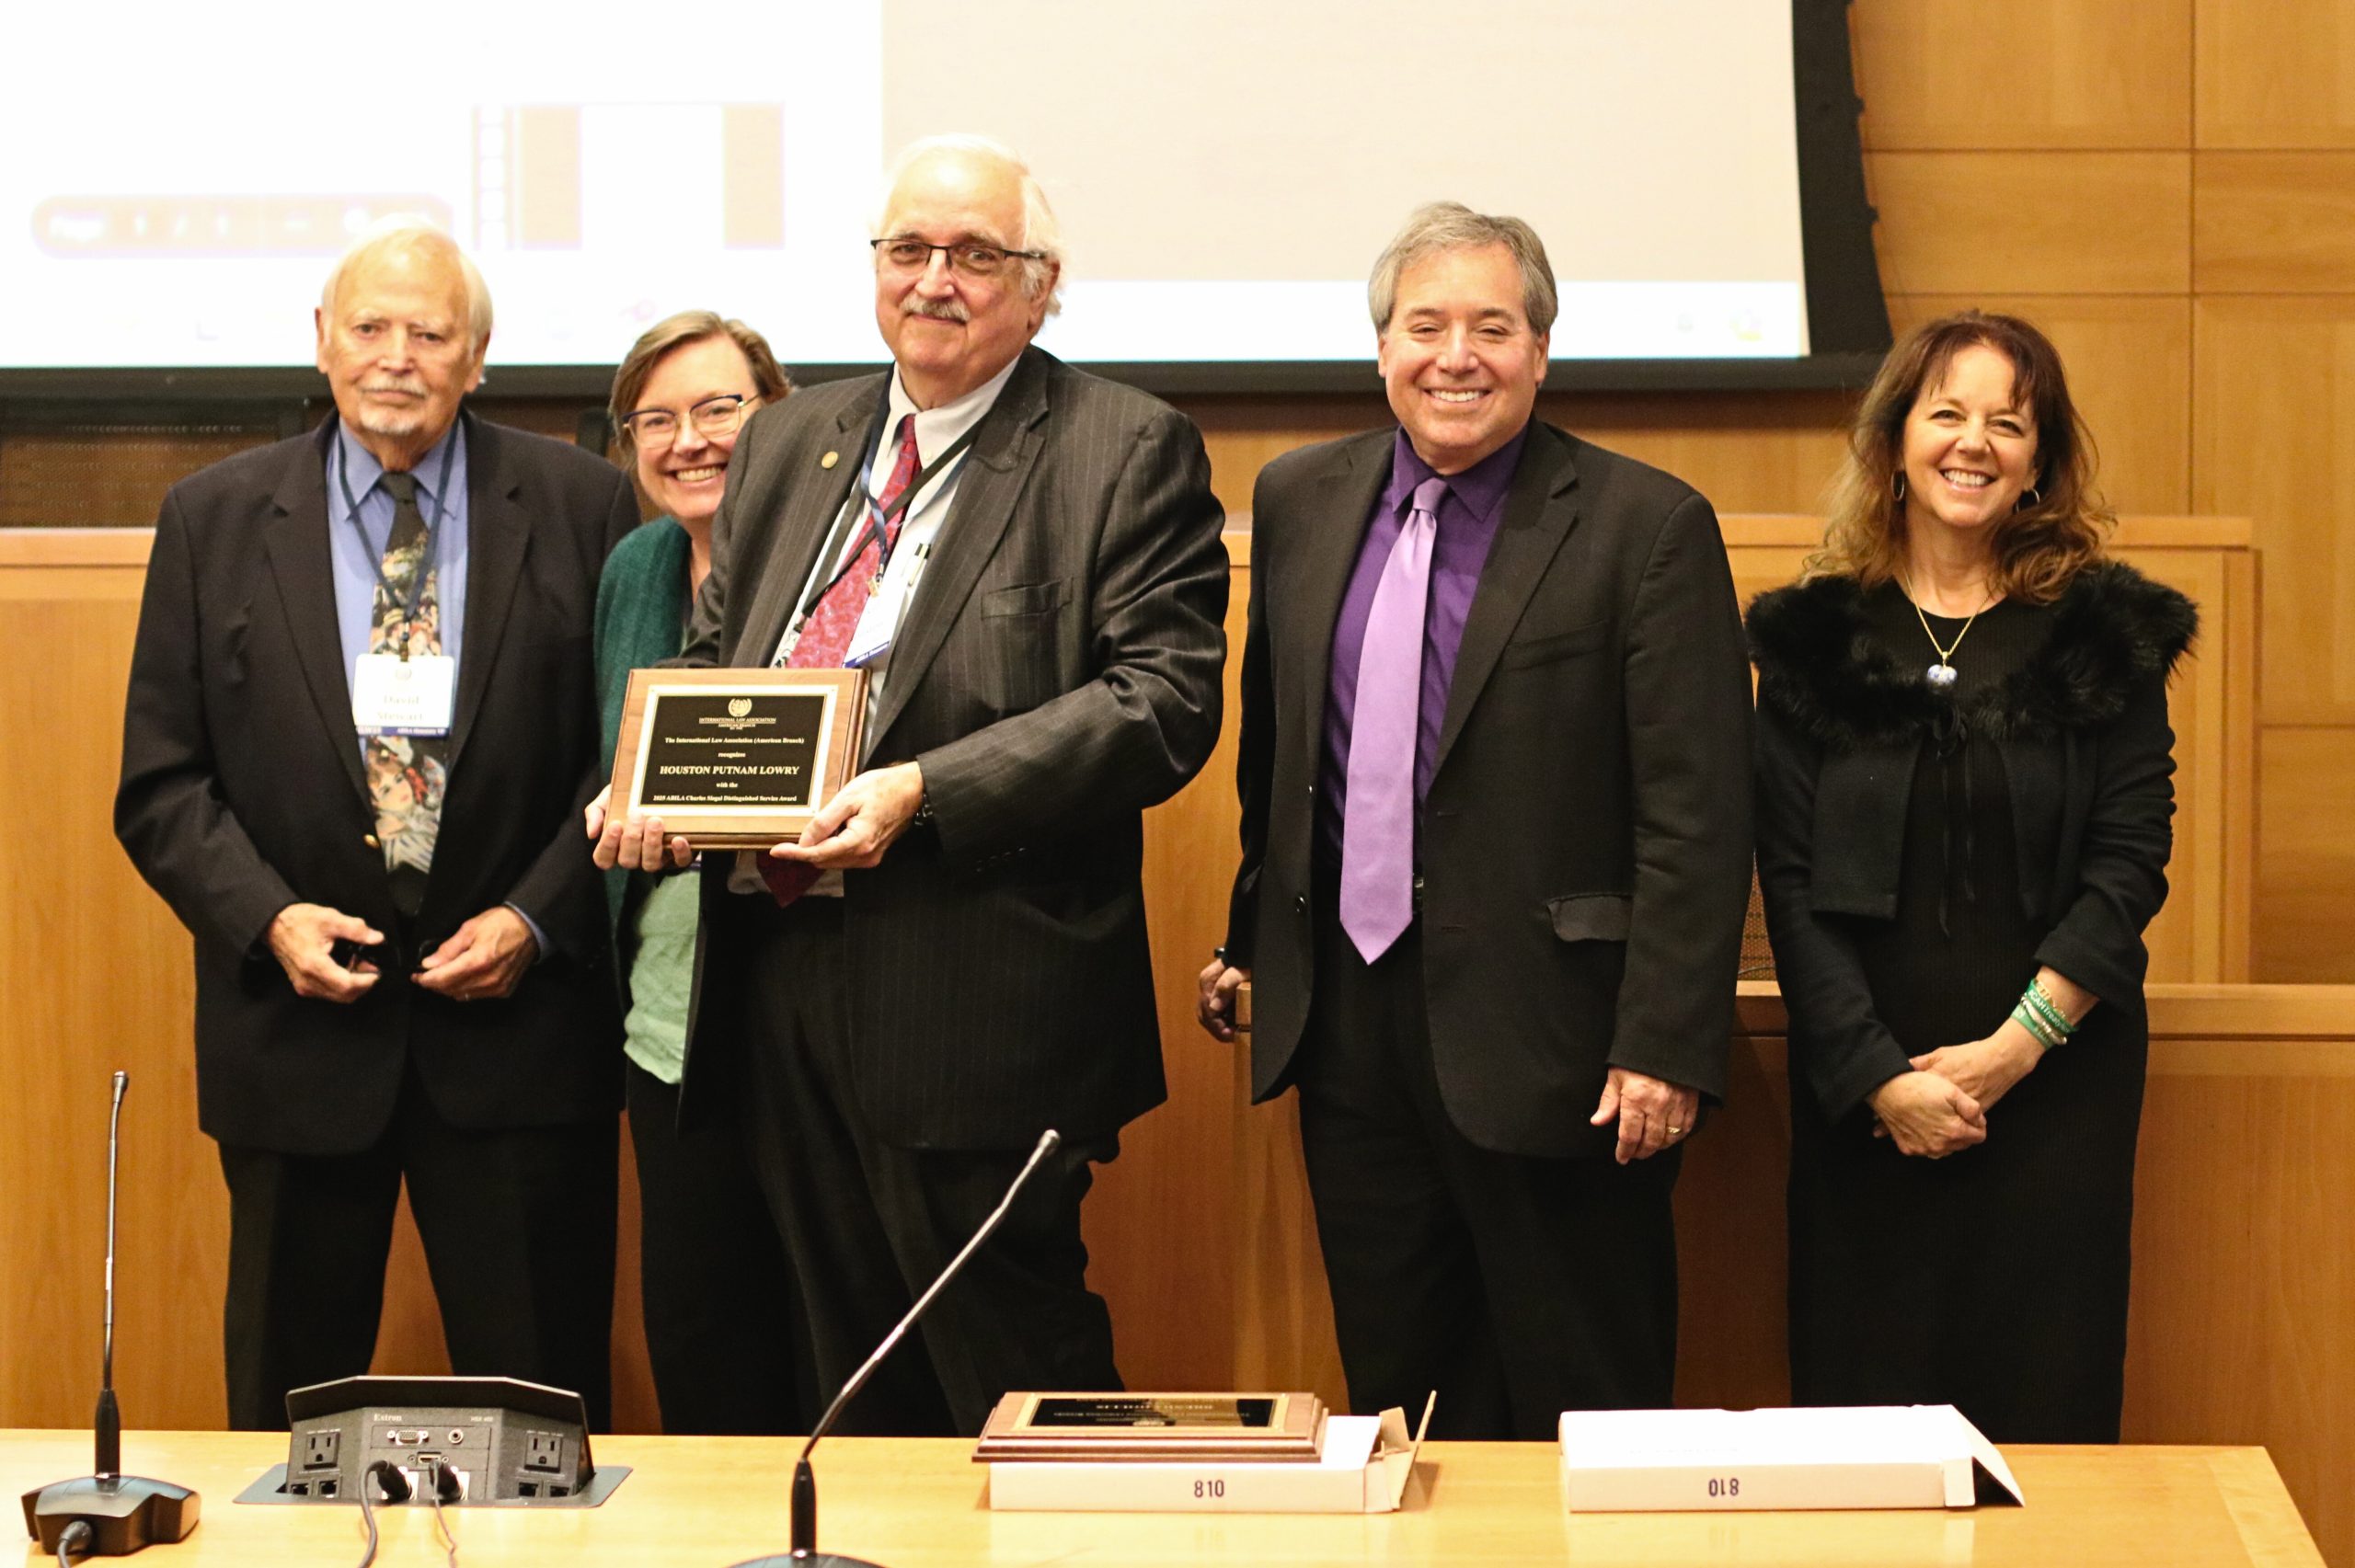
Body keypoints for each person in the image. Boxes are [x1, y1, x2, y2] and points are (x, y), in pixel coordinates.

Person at [591, 134, 1227, 1436]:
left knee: (1014, 1369)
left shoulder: (1122, 445)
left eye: (975, 254)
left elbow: (1161, 702)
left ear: (1039, 286)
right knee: (847, 1380)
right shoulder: (794, 438)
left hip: (977, 999)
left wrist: (921, 789)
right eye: (908, 249)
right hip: (778, 980)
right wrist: (650, 776)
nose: (935, 279)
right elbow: (722, 654)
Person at [1197, 202, 1754, 1440]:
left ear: (1540, 351)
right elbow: (1282, 752)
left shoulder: (1645, 525)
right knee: (1402, 1397)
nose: (1456, 357)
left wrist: (1664, 1042)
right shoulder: (1297, 497)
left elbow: (1699, 814)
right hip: (1347, 1031)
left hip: (1561, 1046)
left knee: (1583, 1403)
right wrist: (1250, 937)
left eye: (1492, 329)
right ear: (1381, 348)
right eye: (1425, 326)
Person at [115, 216, 636, 1432]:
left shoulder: (585, 505)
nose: (397, 356)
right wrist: (269, 918)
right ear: (322, 341)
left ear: (478, 357)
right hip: (296, 1039)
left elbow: (622, 759)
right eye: (370, 327)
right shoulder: (211, 517)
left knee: (546, 1420)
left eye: (430, 334)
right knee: (285, 1422)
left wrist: (536, 919)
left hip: (520, 1039)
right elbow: (162, 783)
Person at [1747, 310, 2196, 1442]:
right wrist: (1876, 1077)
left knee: (2045, 1414)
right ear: (1895, 439)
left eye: (2008, 422)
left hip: (2055, 1094)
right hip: (1865, 1099)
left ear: (2039, 460)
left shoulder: (2103, 634)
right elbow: (1787, 882)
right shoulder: (1813, 640)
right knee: (1864, 1431)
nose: (1973, 442)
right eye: (1946, 413)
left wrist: (2015, 1047)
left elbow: (2129, 862)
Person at [596, 312, 810, 1433]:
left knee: (823, 1340)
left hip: (805, 1013)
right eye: (657, 419)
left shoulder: (837, 555)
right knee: (700, 1343)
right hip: (667, 1023)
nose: (689, 440)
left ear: (781, 416)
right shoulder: (634, 567)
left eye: (720, 408)